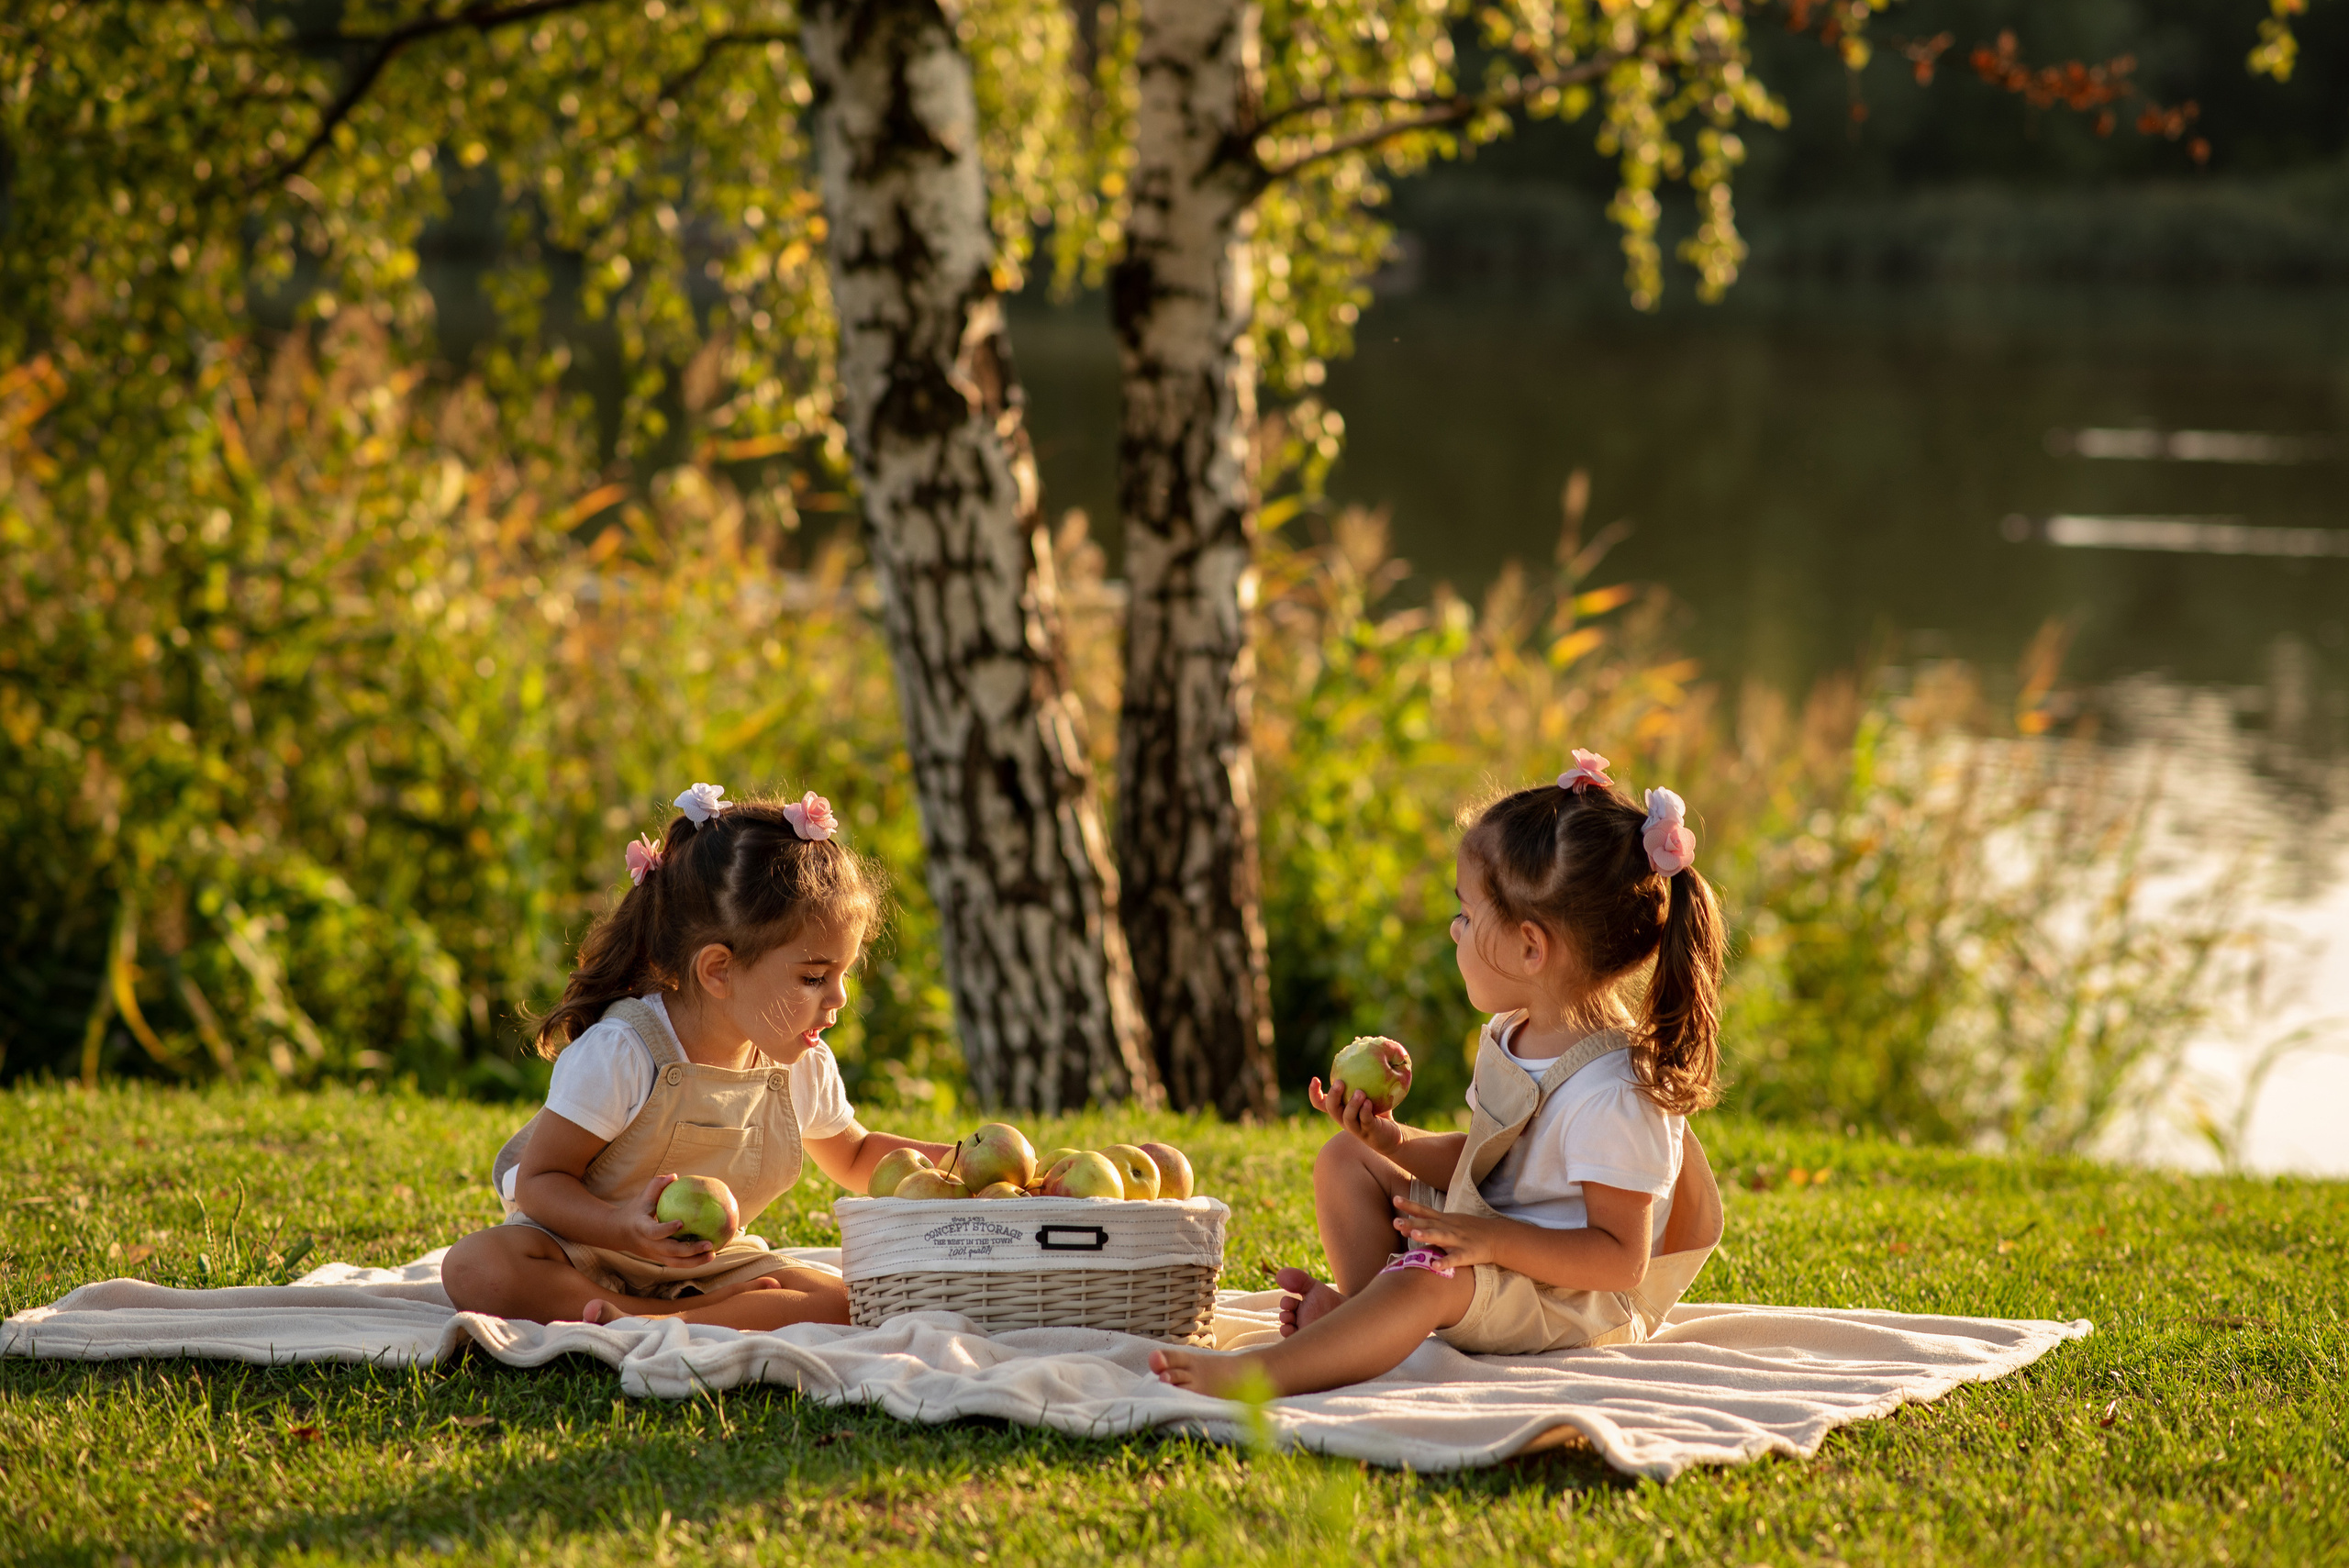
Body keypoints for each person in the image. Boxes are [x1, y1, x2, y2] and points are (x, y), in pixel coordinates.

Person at [1152, 749, 1727, 1396]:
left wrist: (1485, 1239)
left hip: (1571, 1302)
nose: (1456, 931)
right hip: (1497, 1243)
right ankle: (1370, 1325)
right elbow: (1493, 1165)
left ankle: (1259, 1376)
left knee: (1427, 1273)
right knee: (1346, 1160)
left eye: (1468, 914)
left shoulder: (1613, 1091)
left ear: (1530, 946)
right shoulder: (1514, 1034)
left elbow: (1620, 1260)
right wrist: (1391, 1143)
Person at [440, 782, 951, 1329]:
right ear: (718, 970)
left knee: (844, 1301)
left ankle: (674, 1314)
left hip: (707, 1267)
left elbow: (855, 1155)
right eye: (813, 977)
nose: (839, 998)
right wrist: (621, 1227)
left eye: (843, 974)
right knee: (478, 1267)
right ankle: (666, 1316)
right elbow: (541, 1182)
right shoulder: (624, 1052)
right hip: (588, 1253)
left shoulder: (799, 1063)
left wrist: (962, 1164)